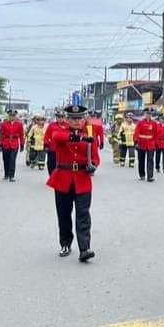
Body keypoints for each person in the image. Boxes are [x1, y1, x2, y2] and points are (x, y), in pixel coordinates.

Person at [46, 105, 100, 261]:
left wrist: (93, 165)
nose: (77, 121)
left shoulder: (89, 134)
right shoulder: (60, 131)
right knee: (64, 214)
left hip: (82, 178)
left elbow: (95, 156)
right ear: (67, 120)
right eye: (73, 119)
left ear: (84, 119)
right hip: (63, 178)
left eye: (79, 118)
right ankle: (65, 243)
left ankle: (85, 248)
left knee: (83, 214)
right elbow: (56, 137)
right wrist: (79, 138)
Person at [0, 109, 25, 182]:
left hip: (14, 143)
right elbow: (1, 134)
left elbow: (21, 135)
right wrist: (0, 144)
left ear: (15, 116)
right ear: (9, 116)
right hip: (6, 143)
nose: (12, 117)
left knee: (12, 160)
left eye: (13, 116)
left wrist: (22, 144)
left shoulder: (19, 124)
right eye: (11, 115)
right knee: (6, 159)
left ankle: (11, 176)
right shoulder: (4, 124)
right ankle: (6, 174)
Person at [134, 108, 158, 182]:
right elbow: (136, 132)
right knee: (141, 160)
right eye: (147, 114)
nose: (148, 115)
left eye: (150, 114)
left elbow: (156, 134)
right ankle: (142, 174)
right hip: (141, 143)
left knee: (150, 160)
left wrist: (156, 143)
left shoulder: (154, 123)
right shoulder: (140, 123)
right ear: (144, 114)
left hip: (151, 144)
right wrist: (136, 141)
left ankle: (150, 176)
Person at [44, 110, 67, 175]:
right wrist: (46, 145)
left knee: (63, 166)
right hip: (53, 149)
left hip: (64, 149)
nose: (60, 118)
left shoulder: (68, 125)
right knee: (51, 165)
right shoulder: (52, 125)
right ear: (56, 117)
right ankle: (52, 177)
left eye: (62, 117)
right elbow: (47, 135)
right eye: (59, 117)